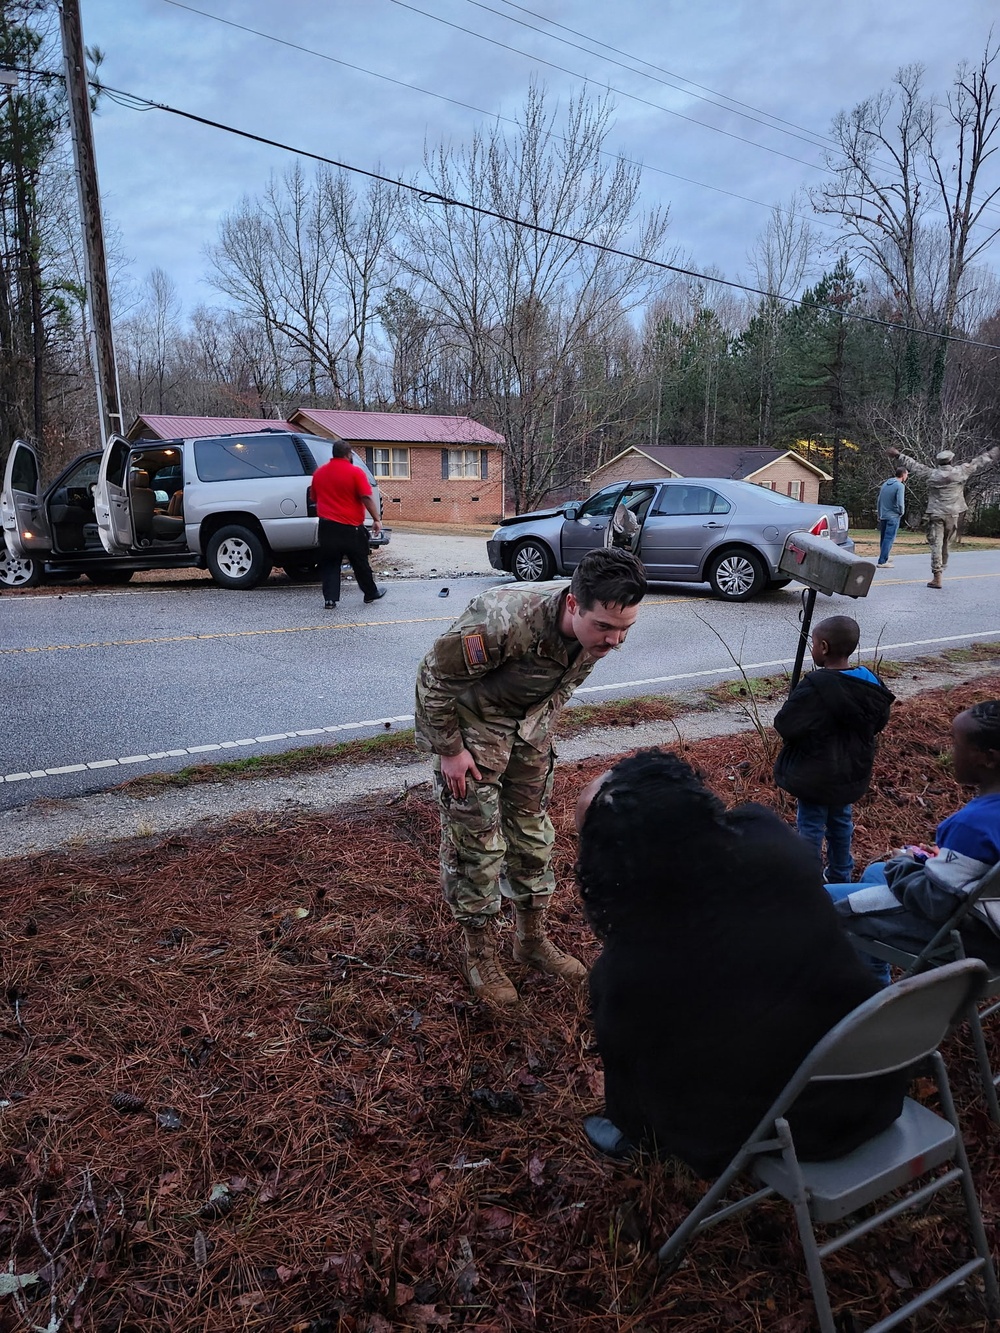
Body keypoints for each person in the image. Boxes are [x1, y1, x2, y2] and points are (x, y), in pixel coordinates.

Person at [576, 749, 909, 1176]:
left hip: (787, 1132)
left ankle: (634, 1135)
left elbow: (640, 1068)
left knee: (634, 1056)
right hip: (874, 1084)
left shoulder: (634, 965)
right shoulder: (770, 838)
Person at [414, 547, 648, 1007]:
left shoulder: (601, 633)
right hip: (473, 731)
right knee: (477, 845)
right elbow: (434, 679)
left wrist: (536, 736)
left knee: (533, 835)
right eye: (604, 626)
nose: (614, 641)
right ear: (574, 605)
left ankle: (530, 939)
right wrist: (451, 751)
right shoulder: (503, 619)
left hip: (528, 733)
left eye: (626, 629)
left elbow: (561, 687)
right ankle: (479, 953)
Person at [829, 701, 1000, 985]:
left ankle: (857, 993)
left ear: (989, 758)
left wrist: (904, 862)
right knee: (874, 873)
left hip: (970, 939)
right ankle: (876, 985)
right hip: (986, 913)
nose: (949, 751)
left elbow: (934, 901)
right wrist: (938, 863)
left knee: (824, 898)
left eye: (955, 743)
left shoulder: (972, 824)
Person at [773, 616, 894, 884]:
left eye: (813, 643)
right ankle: (841, 875)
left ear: (824, 647)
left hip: (814, 773)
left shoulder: (815, 686)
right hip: (851, 770)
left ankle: (807, 880)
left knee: (810, 826)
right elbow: (879, 720)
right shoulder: (869, 681)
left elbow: (786, 724)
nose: (813, 648)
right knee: (841, 822)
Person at [887, 442, 1000, 589]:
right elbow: (979, 461)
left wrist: (898, 455)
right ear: (951, 461)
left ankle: (937, 575)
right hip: (953, 514)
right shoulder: (960, 472)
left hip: (936, 513)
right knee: (946, 544)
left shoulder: (932, 474)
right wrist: (995, 452)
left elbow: (914, 465)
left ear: (938, 462)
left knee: (936, 545)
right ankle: (942, 567)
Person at [311, 441, 385, 610]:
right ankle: (370, 593)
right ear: (348, 454)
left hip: (327, 527)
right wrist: (376, 519)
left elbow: (314, 498)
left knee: (330, 563)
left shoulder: (319, 473)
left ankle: (330, 599)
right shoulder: (355, 472)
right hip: (351, 527)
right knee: (360, 562)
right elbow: (366, 497)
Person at [875, 466, 908, 567]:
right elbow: (900, 502)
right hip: (893, 516)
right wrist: (901, 512)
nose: (907, 476)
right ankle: (882, 561)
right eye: (907, 474)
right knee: (889, 538)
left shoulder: (885, 484)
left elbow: (879, 500)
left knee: (884, 538)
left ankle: (885, 556)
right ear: (903, 475)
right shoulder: (900, 486)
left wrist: (879, 513)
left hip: (883, 515)